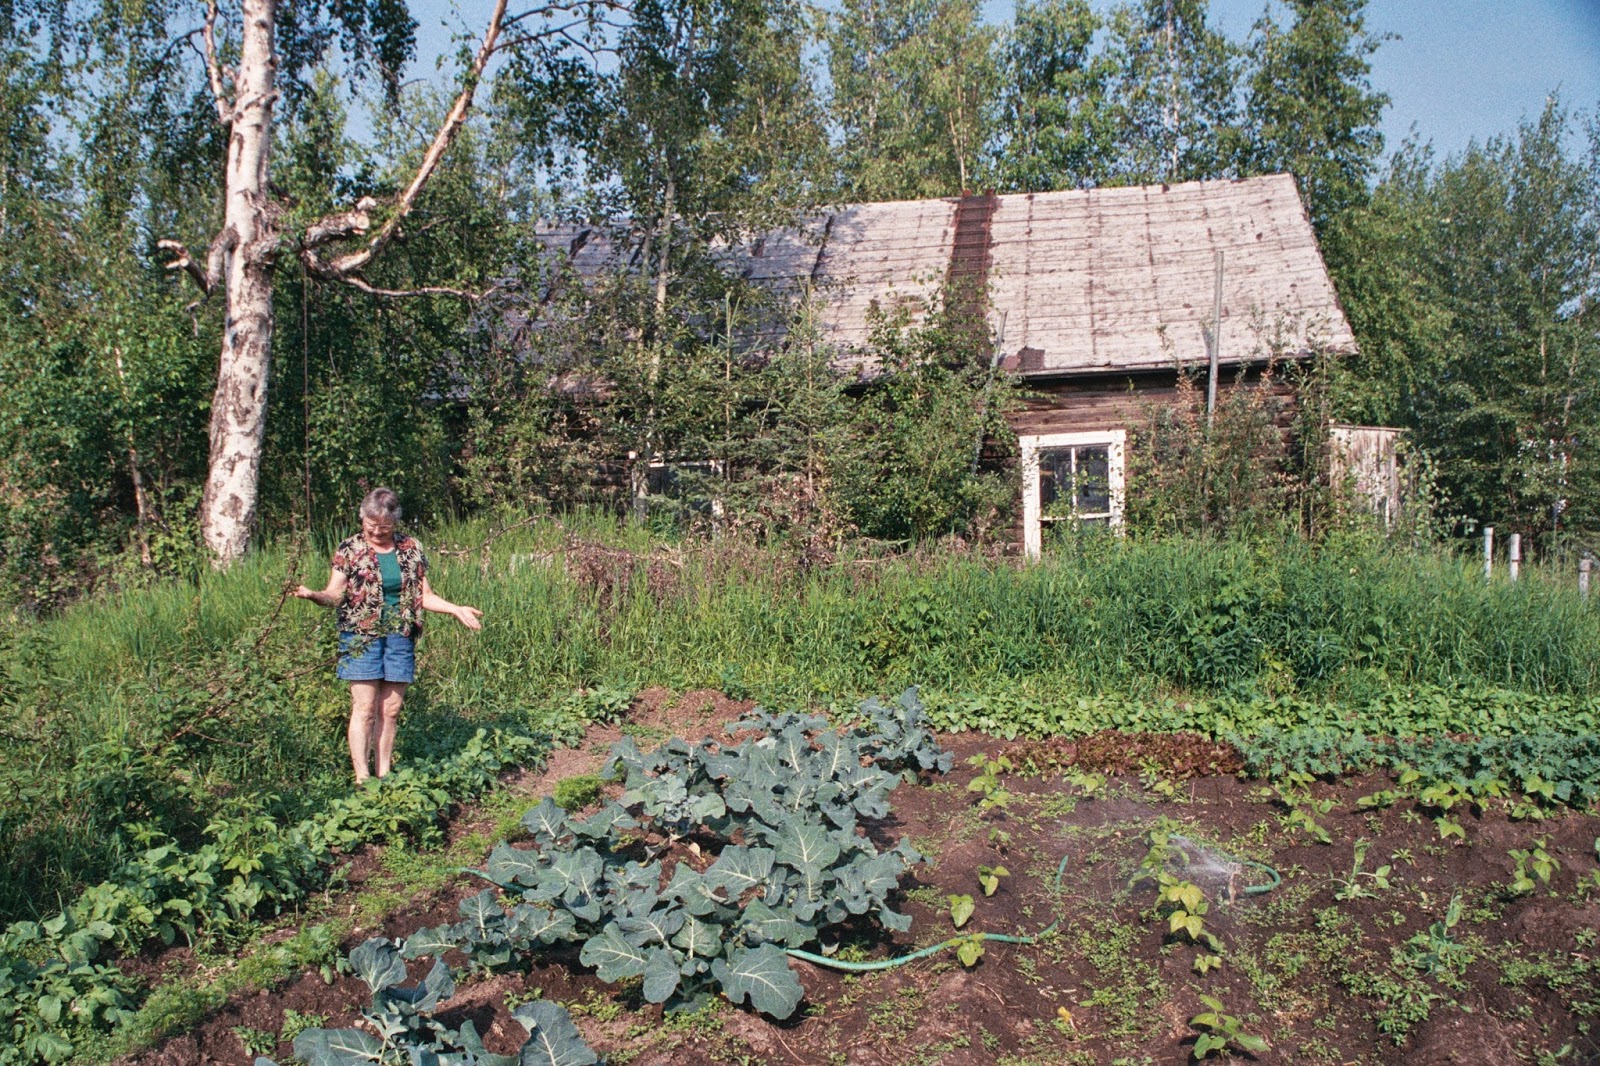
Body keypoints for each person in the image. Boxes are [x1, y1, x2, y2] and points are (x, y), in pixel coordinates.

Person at [293, 487, 483, 783]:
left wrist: (455, 609)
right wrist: (313, 595)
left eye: (385, 527)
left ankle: (385, 774)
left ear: (395, 522)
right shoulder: (349, 549)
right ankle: (362, 778)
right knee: (365, 707)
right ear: (362, 518)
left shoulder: (411, 547)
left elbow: (425, 594)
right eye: (371, 526)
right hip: (360, 635)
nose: (378, 532)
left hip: (400, 634)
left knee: (391, 709)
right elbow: (335, 594)